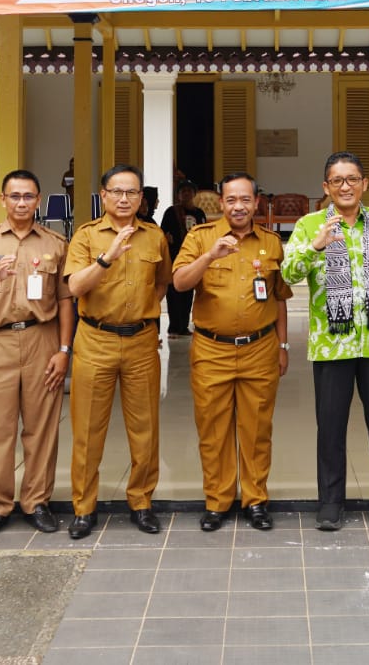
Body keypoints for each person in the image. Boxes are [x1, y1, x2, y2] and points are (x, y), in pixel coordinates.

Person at [282, 151, 369, 533]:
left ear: (364, 184)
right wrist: (316, 247)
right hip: (331, 346)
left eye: (352, 179)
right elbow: (287, 274)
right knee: (330, 427)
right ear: (325, 187)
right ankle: (330, 502)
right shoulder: (310, 225)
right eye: (337, 180)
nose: (345, 186)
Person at [0, 169, 74, 537]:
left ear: (39, 200)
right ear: (3, 200)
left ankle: (37, 501)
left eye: (29, 196)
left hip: (42, 340)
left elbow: (67, 302)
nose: (22, 202)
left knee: (41, 429)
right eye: (15, 196)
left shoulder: (55, 243)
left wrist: (64, 350)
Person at [172, 172, 292, 532]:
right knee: (214, 429)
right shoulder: (201, 237)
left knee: (257, 430)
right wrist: (210, 256)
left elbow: (280, 298)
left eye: (245, 200)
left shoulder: (271, 243)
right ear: (220, 203)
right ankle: (218, 500)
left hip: (260, 348)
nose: (238, 206)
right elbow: (179, 283)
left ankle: (255, 499)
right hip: (212, 349)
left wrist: (283, 345)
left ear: (256, 203)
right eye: (231, 200)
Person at [63, 164, 173, 539]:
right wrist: (106, 257)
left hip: (141, 341)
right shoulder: (86, 236)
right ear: (104, 195)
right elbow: (76, 286)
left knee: (145, 429)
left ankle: (141, 501)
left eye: (132, 193)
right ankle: (84, 506)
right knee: (87, 429)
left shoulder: (155, 237)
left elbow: (161, 284)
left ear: (141, 198)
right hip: (95, 340)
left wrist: (140, 314)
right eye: (118, 192)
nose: (125, 199)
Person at [160, 180, 207, 336]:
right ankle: (174, 326)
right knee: (174, 294)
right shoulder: (171, 212)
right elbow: (162, 233)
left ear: (194, 194)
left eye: (188, 191)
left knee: (188, 294)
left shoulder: (199, 213)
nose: (185, 194)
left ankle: (183, 326)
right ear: (178, 195)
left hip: (193, 259)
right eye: (182, 191)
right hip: (174, 258)